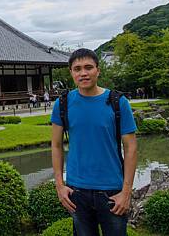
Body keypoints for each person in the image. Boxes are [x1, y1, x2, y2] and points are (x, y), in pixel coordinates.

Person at [51, 48, 137, 236]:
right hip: (77, 191)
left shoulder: (117, 102)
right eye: (77, 69)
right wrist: (59, 185)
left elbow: (130, 148)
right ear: (71, 73)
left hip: (112, 190)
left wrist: (126, 191)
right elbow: (56, 145)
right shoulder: (63, 103)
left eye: (88, 67)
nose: (83, 73)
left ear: (98, 70)